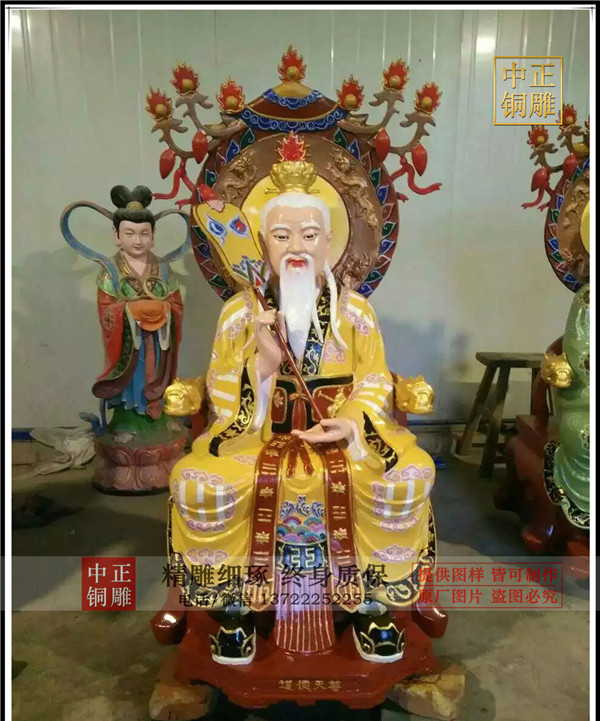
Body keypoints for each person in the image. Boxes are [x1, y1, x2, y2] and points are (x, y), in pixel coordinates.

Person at [167, 136, 437, 665]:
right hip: (255, 437)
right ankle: (233, 610)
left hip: (344, 440)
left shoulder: (356, 313)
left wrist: (351, 423)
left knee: (408, 477)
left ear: (330, 241)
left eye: (310, 234)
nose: (297, 246)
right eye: (282, 234)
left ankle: (374, 606)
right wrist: (264, 366)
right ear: (261, 243)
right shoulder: (240, 314)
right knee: (197, 484)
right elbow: (221, 386)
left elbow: (375, 380)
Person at [93, 186, 184, 432]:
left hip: (158, 342)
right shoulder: (111, 271)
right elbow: (105, 310)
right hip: (129, 342)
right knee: (132, 379)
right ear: (117, 236)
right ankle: (127, 421)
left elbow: (176, 304)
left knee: (156, 375)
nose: (137, 240)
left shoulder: (163, 269)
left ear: (153, 236)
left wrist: (165, 310)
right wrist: (130, 312)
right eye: (130, 233)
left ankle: (157, 420)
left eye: (144, 233)